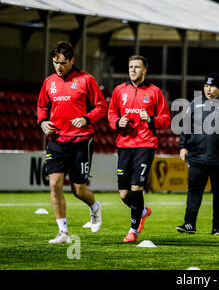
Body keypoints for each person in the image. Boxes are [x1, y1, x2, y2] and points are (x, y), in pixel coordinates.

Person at [37, 41, 107, 243]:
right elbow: (42, 106)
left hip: (81, 141)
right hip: (57, 139)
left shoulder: (86, 80)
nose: (58, 67)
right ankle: (63, 233)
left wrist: (86, 118)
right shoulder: (49, 81)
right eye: (55, 62)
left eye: (62, 63)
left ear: (72, 61)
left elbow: (101, 107)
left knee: (79, 189)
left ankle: (95, 208)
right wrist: (42, 122)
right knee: (54, 184)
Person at [108, 55, 171, 243]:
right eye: (130, 67)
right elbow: (111, 114)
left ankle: (133, 231)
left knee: (137, 188)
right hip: (124, 144)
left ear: (144, 71)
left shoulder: (154, 92)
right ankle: (143, 211)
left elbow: (166, 119)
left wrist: (151, 119)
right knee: (124, 194)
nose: (133, 70)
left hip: (145, 144)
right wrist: (118, 122)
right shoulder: (119, 91)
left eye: (137, 67)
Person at [176, 73, 219, 235]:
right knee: (194, 190)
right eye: (206, 86)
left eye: (212, 86)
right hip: (197, 156)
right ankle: (189, 223)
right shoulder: (195, 103)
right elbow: (186, 126)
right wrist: (183, 146)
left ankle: (217, 227)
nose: (208, 89)